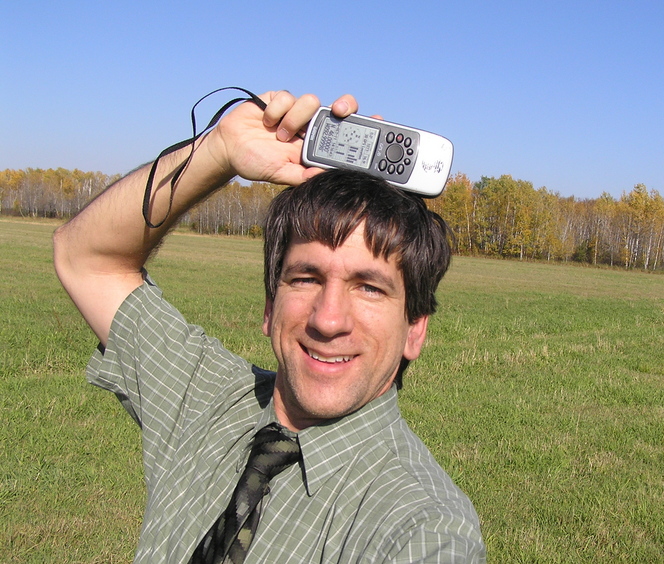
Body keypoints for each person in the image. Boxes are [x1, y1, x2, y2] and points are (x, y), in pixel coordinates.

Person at [53, 90, 485, 563]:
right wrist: (219, 151)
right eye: (305, 278)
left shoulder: (421, 527)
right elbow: (85, 258)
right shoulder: (206, 398)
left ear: (415, 330)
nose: (327, 319)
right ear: (268, 306)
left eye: (369, 288)